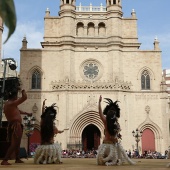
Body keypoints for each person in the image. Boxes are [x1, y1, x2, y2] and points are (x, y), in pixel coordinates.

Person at [96, 95, 136, 166]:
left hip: (110, 145)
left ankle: (115, 160)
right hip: (112, 145)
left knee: (104, 160)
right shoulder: (113, 123)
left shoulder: (107, 122)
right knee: (110, 160)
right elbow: (100, 113)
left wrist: (99, 102)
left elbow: (100, 113)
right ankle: (116, 160)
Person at [1, 88, 32, 165]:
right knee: (14, 143)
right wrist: (23, 90)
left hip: (13, 124)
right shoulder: (11, 103)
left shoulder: (9, 104)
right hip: (15, 125)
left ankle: (17, 158)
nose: (17, 98)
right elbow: (24, 97)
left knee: (17, 142)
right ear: (14, 97)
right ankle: (5, 159)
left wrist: (27, 113)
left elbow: (18, 111)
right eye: (16, 96)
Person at [34, 99, 64, 164]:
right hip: (51, 146)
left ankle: (44, 159)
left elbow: (42, 116)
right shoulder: (52, 126)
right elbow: (56, 131)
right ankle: (53, 160)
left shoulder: (42, 123)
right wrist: (60, 131)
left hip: (42, 146)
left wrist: (43, 106)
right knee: (57, 147)